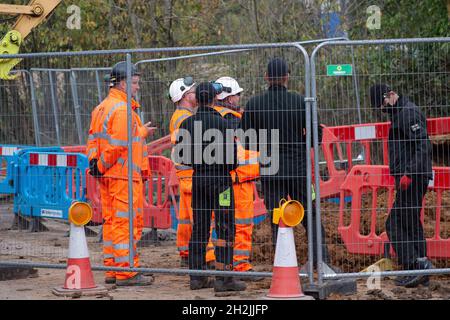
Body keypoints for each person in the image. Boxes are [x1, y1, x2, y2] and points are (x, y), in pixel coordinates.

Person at [240, 57, 333, 268]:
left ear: (266, 77)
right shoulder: (300, 101)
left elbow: (245, 139)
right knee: (309, 211)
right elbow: (317, 135)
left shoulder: (254, 104)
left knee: (277, 217)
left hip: (271, 170)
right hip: (299, 170)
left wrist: (263, 147)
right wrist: (300, 144)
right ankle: (321, 259)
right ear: (286, 77)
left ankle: (282, 262)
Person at [86, 61, 156, 286]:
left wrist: (96, 165)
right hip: (122, 176)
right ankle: (127, 272)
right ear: (123, 84)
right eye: (134, 83)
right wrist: (103, 165)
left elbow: (93, 141)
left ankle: (112, 268)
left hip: (109, 176)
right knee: (126, 223)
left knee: (111, 222)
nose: (137, 87)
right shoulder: (123, 110)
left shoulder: (101, 107)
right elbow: (117, 145)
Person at [174, 82, 246, 292]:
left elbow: (183, 157)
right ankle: (225, 279)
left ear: (197, 99)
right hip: (221, 182)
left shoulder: (186, 124)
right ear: (215, 98)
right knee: (225, 227)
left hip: (199, 181)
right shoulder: (224, 124)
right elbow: (233, 160)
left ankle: (196, 278)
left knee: (200, 227)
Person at [370, 84, 433, 287]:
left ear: (389, 96)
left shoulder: (408, 113)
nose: (383, 109)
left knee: (394, 223)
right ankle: (421, 270)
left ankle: (413, 265)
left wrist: (409, 173)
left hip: (412, 179)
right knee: (411, 222)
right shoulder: (400, 114)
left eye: (382, 105)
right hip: (410, 178)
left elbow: (423, 144)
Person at [213, 76, 261, 279]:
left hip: (222, 183)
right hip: (239, 182)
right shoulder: (235, 121)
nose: (240, 98)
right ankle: (240, 265)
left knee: (223, 224)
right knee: (241, 224)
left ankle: (224, 264)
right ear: (229, 98)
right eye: (237, 94)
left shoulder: (212, 116)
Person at [168, 77, 216, 268]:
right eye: (194, 91)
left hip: (185, 174)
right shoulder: (185, 119)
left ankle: (186, 252)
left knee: (187, 218)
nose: (197, 94)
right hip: (191, 174)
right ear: (186, 95)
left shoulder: (180, 116)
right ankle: (209, 258)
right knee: (201, 218)